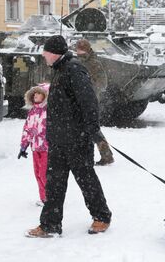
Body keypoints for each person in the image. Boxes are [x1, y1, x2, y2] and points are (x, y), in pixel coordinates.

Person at [27, 35, 112, 238]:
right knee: (54, 182)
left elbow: (89, 101)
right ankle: (50, 225)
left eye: (45, 51)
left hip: (77, 137)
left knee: (85, 178)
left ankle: (102, 216)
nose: (43, 55)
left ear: (54, 53)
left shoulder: (74, 69)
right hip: (58, 139)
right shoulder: (59, 70)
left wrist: (92, 129)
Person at [75, 39, 114, 166]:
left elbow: (103, 84)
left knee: (92, 128)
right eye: (77, 49)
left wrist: (88, 89)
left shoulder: (94, 63)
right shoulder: (75, 62)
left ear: (87, 49)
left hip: (90, 101)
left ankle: (106, 155)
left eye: (81, 49)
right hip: (77, 100)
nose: (79, 51)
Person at [18, 85, 49, 206]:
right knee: (37, 173)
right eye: (34, 93)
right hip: (35, 148)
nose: (35, 95)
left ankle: (50, 197)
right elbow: (27, 129)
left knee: (44, 174)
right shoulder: (32, 112)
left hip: (47, 148)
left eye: (39, 93)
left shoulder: (49, 111)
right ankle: (43, 198)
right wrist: (24, 145)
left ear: (45, 96)